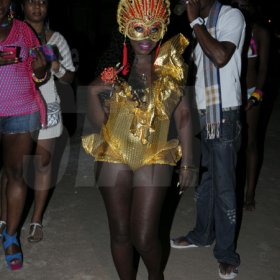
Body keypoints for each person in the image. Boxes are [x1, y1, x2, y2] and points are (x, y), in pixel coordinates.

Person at [82, 0, 197, 278]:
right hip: (114, 154)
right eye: (138, 28)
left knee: (144, 237)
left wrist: (188, 162)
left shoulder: (171, 66)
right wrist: (102, 111)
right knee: (120, 233)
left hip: (155, 154)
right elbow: (94, 105)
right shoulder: (113, 71)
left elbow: (183, 116)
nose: (145, 37)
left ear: (161, 29)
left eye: (153, 29)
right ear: (125, 29)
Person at [170, 0, 245, 279]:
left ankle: (226, 254)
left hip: (224, 114)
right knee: (204, 183)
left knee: (225, 188)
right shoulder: (198, 29)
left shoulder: (231, 16)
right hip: (204, 114)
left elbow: (221, 56)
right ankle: (202, 234)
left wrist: (194, 23)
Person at [21, 0, 75, 242]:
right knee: (12, 167)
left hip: (48, 108)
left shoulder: (56, 39)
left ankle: (36, 220)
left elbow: (70, 78)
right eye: (31, 1)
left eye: (42, 1)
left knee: (43, 163)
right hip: (17, 106)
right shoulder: (12, 34)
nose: (37, 6)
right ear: (22, 6)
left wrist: (56, 66)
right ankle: (5, 217)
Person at [0, 0, 48, 270]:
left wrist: (41, 72)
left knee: (16, 174)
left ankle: (10, 236)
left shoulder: (25, 31)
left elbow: (42, 65)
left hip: (21, 109)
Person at [231, 0, 270, 211]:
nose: (242, 7)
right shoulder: (229, 26)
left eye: (246, 3)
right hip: (230, 93)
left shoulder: (260, 32)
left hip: (250, 92)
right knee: (230, 143)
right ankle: (231, 190)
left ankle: (250, 192)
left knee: (250, 142)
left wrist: (256, 95)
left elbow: (264, 69)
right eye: (237, 3)